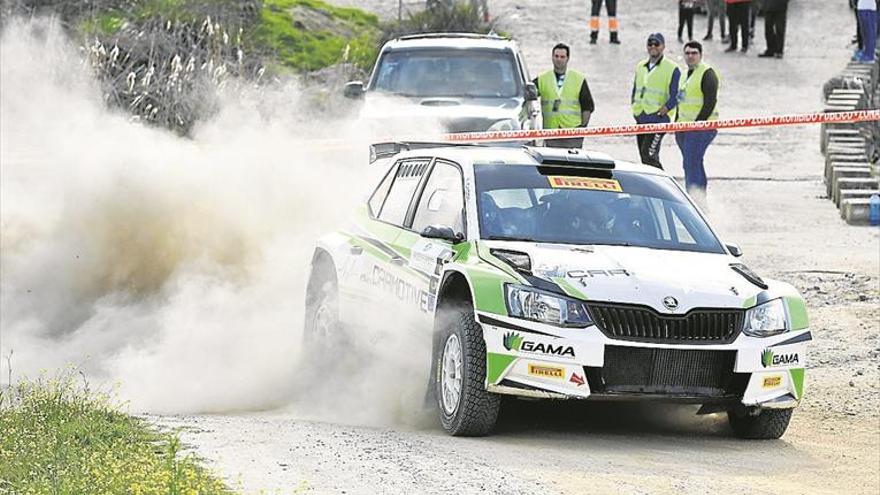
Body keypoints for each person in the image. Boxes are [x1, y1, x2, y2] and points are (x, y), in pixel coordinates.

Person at [675, 41, 720, 208]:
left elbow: (710, 102)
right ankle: (698, 198)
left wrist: (697, 124)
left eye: (694, 53)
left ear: (700, 55)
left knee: (691, 162)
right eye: (687, 53)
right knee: (691, 162)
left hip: (701, 128)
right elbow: (681, 101)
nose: (690, 56)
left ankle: (696, 200)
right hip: (684, 128)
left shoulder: (707, 73)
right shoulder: (686, 75)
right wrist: (676, 125)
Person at [631, 33, 681, 168]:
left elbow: (677, 94)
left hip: (658, 119)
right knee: (644, 157)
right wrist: (635, 109)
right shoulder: (641, 66)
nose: (653, 47)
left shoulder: (672, 68)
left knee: (649, 154)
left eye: (656, 44)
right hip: (642, 117)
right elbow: (636, 88)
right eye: (650, 44)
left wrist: (664, 111)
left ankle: (663, 185)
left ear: (663, 46)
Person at [534, 43, 595, 148]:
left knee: (573, 163)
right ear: (552, 57)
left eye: (562, 57)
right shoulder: (542, 79)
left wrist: (581, 129)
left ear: (567, 59)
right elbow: (527, 93)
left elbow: (587, 107)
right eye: (556, 56)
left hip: (572, 133)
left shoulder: (578, 79)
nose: (559, 59)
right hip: (551, 133)